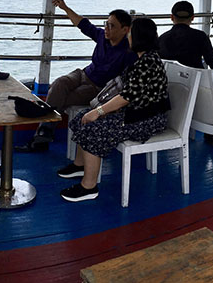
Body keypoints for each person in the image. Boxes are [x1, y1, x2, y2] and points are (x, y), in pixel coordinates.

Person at [58, 18, 170, 201]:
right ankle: (80, 165)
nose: (128, 36)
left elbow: (126, 97)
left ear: (139, 37)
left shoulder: (148, 62)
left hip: (147, 119)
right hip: (135, 112)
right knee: (82, 117)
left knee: (93, 128)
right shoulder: (142, 58)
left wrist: (98, 111)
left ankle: (89, 187)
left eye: (130, 33)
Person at [18, 0, 138, 152]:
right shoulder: (102, 36)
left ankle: (41, 137)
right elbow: (82, 23)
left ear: (125, 30)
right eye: (106, 24)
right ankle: (43, 135)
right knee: (59, 83)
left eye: (111, 26)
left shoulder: (129, 52)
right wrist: (65, 7)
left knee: (61, 98)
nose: (106, 28)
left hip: (97, 88)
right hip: (82, 74)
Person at [159, 0, 213, 144]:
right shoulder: (200, 37)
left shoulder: (162, 39)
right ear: (192, 18)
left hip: (172, 96)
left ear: (172, 17)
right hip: (197, 95)